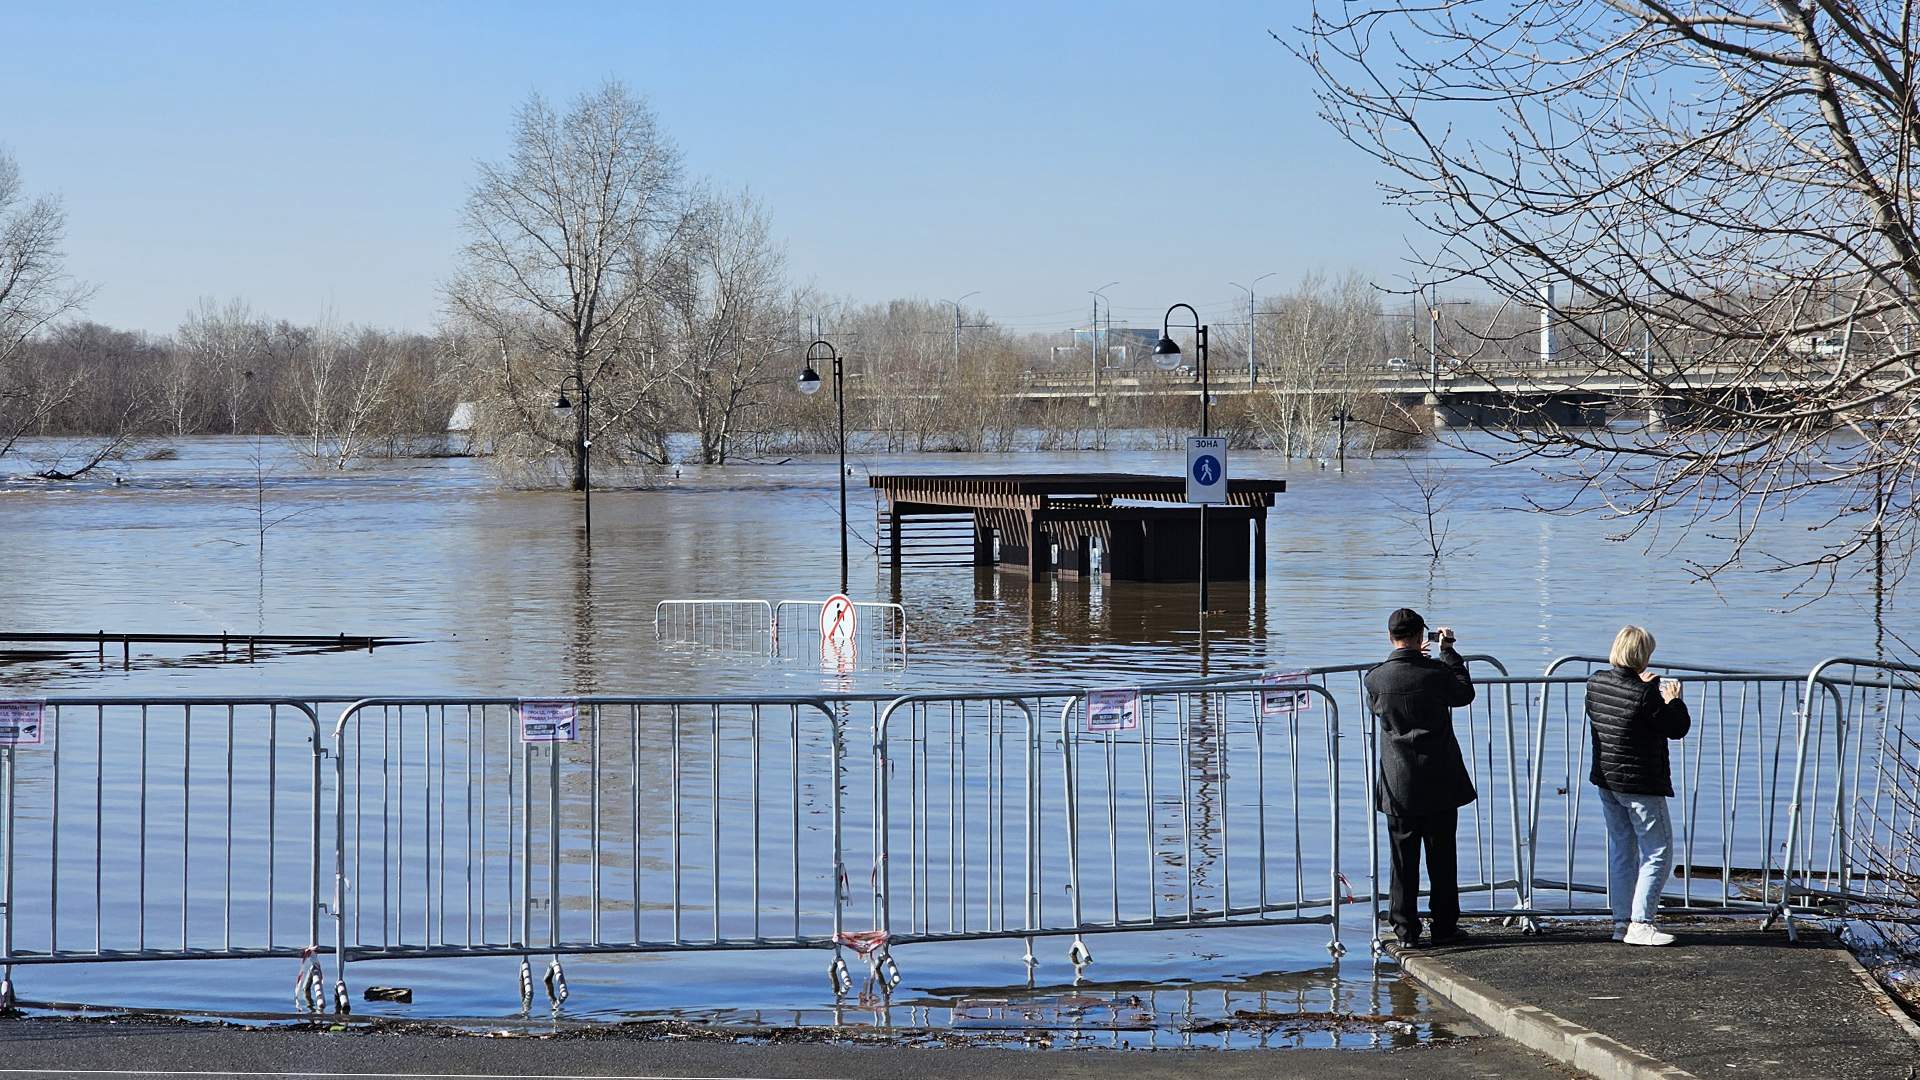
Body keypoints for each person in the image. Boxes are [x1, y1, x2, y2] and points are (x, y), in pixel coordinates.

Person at [1364, 608, 1477, 948]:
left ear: (1390, 638)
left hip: (1399, 783)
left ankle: (1405, 930)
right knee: (1442, 856)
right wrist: (1448, 651)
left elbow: (1380, 707)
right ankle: (1444, 926)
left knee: (1403, 860)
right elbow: (1464, 694)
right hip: (1439, 777)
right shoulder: (1437, 672)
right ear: (1419, 638)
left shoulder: (1375, 678)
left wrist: (1418, 659)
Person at [1585, 625, 1690, 947]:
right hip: (1640, 782)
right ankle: (1641, 922)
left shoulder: (1596, 683)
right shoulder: (1647, 694)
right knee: (1658, 851)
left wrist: (1640, 685)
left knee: (1622, 850)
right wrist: (1674, 700)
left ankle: (1621, 922)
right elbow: (1676, 728)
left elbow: (1625, 703)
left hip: (1607, 779)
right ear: (1643, 657)